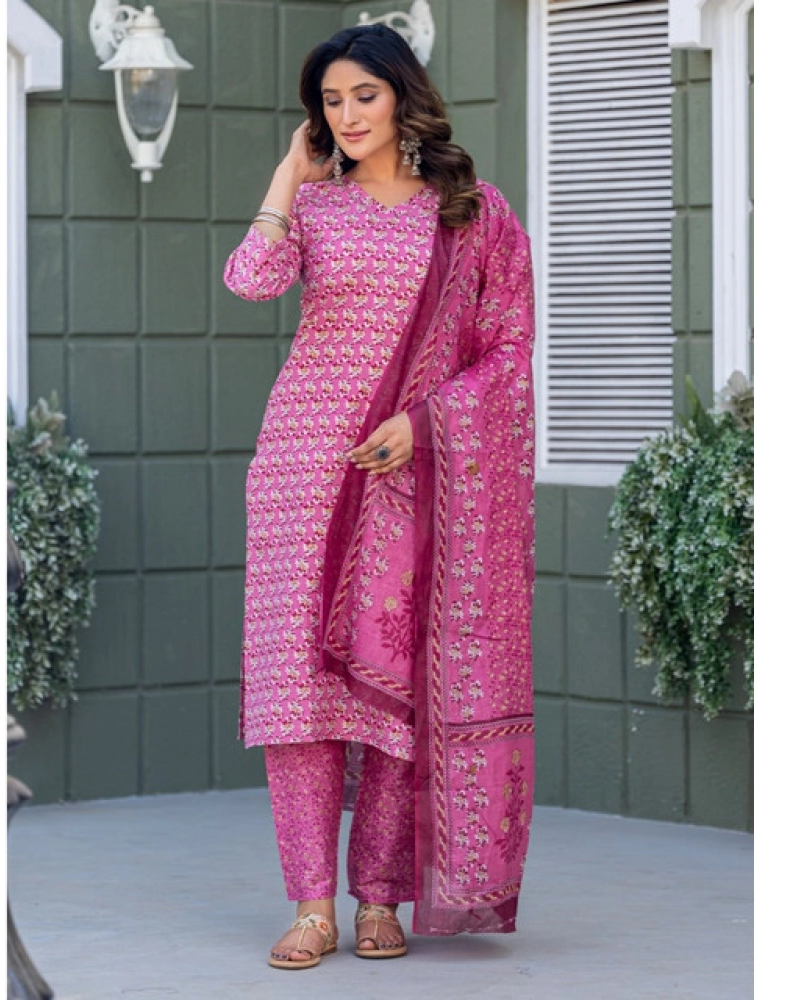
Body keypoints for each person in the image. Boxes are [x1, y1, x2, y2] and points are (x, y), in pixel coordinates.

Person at [223, 22, 536, 971]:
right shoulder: (316, 205)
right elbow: (250, 280)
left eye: (365, 95)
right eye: (331, 101)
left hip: (410, 473)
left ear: (403, 95)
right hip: (301, 471)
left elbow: (509, 347)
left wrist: (426, 423)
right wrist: (289, 175)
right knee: (300, 695)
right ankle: (311, 907)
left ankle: (379, 898)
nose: (348, 115)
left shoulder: (471, 212)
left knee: (395, 694)